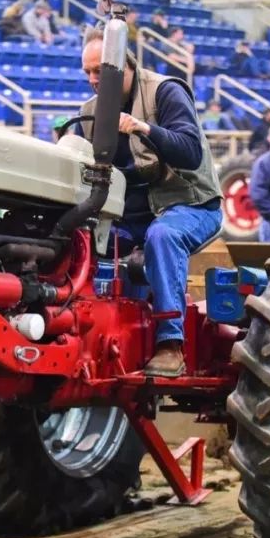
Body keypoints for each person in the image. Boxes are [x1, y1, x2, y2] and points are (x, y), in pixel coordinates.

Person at [76, 27, 222, 377]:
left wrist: (144, 129)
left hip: (189, 206)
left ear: (124, 65)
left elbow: (190, 152)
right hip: (131, 218)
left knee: (163, 235)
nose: (93, 80)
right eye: (87, 72)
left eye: (99, 71)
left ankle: (170, 344)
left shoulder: (165, 92)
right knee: (78, 241)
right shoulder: (89, 113)